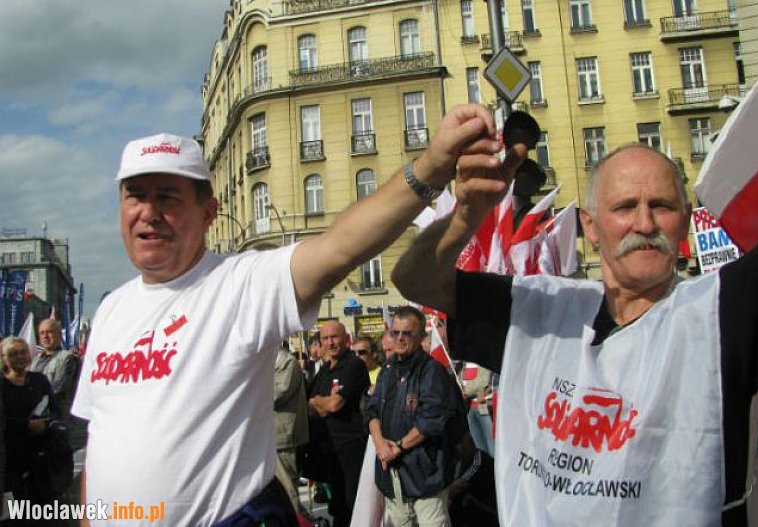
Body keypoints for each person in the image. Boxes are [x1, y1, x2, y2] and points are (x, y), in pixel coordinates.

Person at [71, 104, 504, 527]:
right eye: (135, 195)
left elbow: (340, 246)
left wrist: (432, 166)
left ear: (208, 212)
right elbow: (99, 440)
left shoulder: (240, 283)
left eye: (167, 197)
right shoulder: (110, 311)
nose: (148, 212)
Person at [391, 142, 758, 526]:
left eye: (662, 206)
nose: (645, 224)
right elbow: (414, 280)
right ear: (590, 226)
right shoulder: (537, 308)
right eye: (625, 207)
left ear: (685, 220)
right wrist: (468, 216)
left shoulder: (721, 309)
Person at [365, 306, 463, 527]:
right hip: (392, 476)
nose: (399, 338)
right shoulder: (387, 369)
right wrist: (380, 445)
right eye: (395, 332)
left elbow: (431, 421)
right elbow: (372, 411)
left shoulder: (432, 371)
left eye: (407, 333)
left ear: (421, 337)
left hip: (425, 475)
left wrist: (398, 447)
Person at [309, 321, 370, 527]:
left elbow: (334, 405)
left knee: (353, 502)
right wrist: (321, 402)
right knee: (337, 504)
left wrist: (319, 401)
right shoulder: (325, 370)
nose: (330, 343)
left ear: (346, 339)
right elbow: (308, 403)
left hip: (352, 446)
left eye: (334, 337)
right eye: (325, 338)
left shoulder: (354, 365)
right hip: (330, 447)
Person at [1, 337, 60, 511]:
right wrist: (25, 426)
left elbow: (55, 410)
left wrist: (48, 423)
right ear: (4, 358)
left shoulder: (39, 380)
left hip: (42, 457)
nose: (20, 357)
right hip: (11, 459)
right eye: (13, 354)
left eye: (23, 352)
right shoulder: (2, 384)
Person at [273, 341, 309, 517]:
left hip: (283, 437)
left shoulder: (285, 361)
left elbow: (275, 395)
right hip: (268, 437)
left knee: (287, 491)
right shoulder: (267, 361)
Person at [30, 318, 80, 418]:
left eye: (49, 332)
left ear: (59, 335)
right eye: (42, 333)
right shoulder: (36, 360)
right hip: (36, 415)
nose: (45, 336)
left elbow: (59, 388)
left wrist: (32, 395)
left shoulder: (68, 358)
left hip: (57, 416)